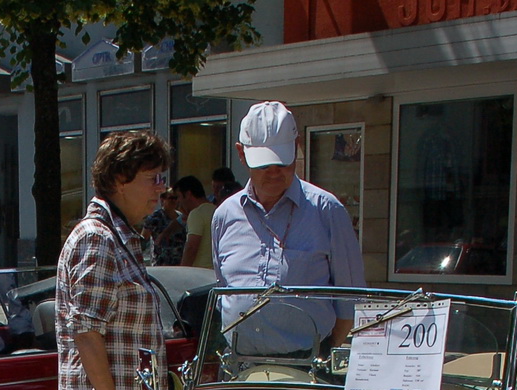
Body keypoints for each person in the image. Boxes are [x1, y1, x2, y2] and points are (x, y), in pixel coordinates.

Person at [213, 101, 365, 352]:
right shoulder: (224, 216)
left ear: (296, 148)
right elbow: (222, 292)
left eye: (282, 162)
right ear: (241, 154)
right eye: (263, 165)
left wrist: (320, 358)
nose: (274, 173)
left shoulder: (326, 211)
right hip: (238, 367)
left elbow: (350, 304)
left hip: (306, 368)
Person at [56, 130, 170, 390]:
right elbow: (87, 333)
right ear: (120, 180)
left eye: (162, 178)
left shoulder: (118, 237)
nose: (161, 189)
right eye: (152, 178)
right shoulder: (97, 238)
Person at [175, 175, 215, 269]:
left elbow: (191, 247)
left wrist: (182, 271)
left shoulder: (196, 213)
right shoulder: (216, 210)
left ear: (188, 194)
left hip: (199, 273)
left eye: (179, 196)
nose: (178, 201)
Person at [142, 189, 185, 266]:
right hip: (161, 264)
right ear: (162, 200)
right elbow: (143, 238)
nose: (174, 201)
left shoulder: (181, 217)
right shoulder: (154, 218)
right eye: (171, 198)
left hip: (179, 265)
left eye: (176, 198)